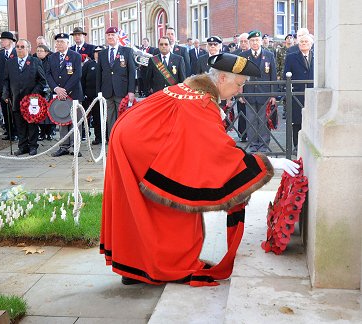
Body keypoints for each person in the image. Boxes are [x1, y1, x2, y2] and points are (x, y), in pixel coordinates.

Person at [100, 52, 299, 286]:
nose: (240, 91)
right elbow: (218, 152)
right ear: (222, 78)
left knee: (139, 209)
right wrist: (267, 163)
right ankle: (170, 266)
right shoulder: (200, 103)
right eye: (239, 84)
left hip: (132, 138)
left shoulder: (192, 91)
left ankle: (136, 267)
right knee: (172, 209)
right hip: (141, 146)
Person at [3, 39, 46, 156]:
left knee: (31, 124)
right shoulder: (10, 63)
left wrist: (34, 94)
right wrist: (5, 94)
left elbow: (42, 81)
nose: (19, 49)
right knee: (19, 124)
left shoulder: (35, 61)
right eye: (17, 47)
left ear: (28, 48)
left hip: (31, 100)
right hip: (16, 98)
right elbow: (6, 80)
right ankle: (23, 146)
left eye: (22, 47)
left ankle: (33, 146)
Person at [45, 33, 83, 157]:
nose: (59, 44)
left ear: (68, 43)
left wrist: (64, 90)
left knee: (75, 121)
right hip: (58, 94)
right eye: (57, 42)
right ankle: (63, 146)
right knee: (61, 120)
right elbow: (48, 74)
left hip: (73, 93)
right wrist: (56, 89)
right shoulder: (52, 57)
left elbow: (77, 75)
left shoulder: (75, 56)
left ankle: (74, 146)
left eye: (62, 42)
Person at [239, 30, 277, 152]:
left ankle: (264, 144)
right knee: (251, 120)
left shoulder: (269, 55)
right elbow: (239, 75)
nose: (255, 43)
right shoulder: (244, 56)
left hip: (264, 94)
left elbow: (273, 75)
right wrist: (240, 93)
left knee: (263, 120)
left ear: (261, 41)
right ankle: (253, 144)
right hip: (249, 94)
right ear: (249, 42)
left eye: (257, 40)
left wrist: (273, 95)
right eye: (252, 41)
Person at [96, 26, 135, 139]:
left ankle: (123, 140)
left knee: (123, 118)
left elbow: (132, 72)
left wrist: (131, 91)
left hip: (122, 90)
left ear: (118, 36)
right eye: (108, 35)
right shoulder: (102, 53)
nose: (110, 37)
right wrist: (99, 92)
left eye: (113, 35)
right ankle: (112, 141)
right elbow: (99, 74)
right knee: (110, 119)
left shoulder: (127, 51)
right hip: (107, 91)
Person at [283, 34, 314, 151]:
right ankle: (296, 145)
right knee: (296, 121)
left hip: (312, 93)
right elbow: (286, 75)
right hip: (297, 94)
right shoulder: (291, 57)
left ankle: (310, 143)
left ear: (311, 44)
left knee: (311, 119)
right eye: (301, 42)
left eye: (306, 41)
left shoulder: (317, 56)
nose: (304, 43)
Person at [0, 31, 17, 141]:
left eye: (4, 40)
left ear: (10, 41)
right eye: (1, 40)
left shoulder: (17, 53)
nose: (2, 41)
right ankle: (9, 131)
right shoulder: (0, 54)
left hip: (15, 87)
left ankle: (17, 132)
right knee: (5, 110)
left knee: (15, 110)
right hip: (2, 87)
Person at [82, 45, 103, 145]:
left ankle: (104, 137)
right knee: (93, 118)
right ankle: (95, 137)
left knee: (102, 118)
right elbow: (82, 80)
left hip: (104, 96)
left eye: (100, 52)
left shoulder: (107, 64)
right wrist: (84, 94)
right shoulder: (88, 65)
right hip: (90, 97)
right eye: (96, 52)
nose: (98, 54)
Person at [35, 44, 55, 141]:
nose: (39, 52)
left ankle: (50, 132)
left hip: (49, 90)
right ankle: (42, 132)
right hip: (38, 90)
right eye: (37, 50)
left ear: (46, 52)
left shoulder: (50, 61)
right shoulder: (34, 61)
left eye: (41, 51)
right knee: (40, 112)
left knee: (49, 112)